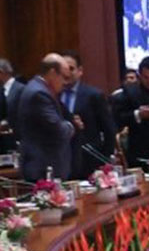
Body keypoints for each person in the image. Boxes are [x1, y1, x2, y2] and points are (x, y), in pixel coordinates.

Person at [17, 54, 75, 183]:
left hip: (45, 166)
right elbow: (58, 129)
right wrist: (70, 126)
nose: (65, 83)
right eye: (64, 77)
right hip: (43, 168)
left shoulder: (40, 89)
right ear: (52, 72)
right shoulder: (39, 93)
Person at [60, 51, 116, 179]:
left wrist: (104, 160)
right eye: (62, 69)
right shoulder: (54, 95)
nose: (66, 73)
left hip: (89, 160)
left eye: (71, 69)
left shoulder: (93, 95)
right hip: (63, 161)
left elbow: (109, 130)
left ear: (80, 71)